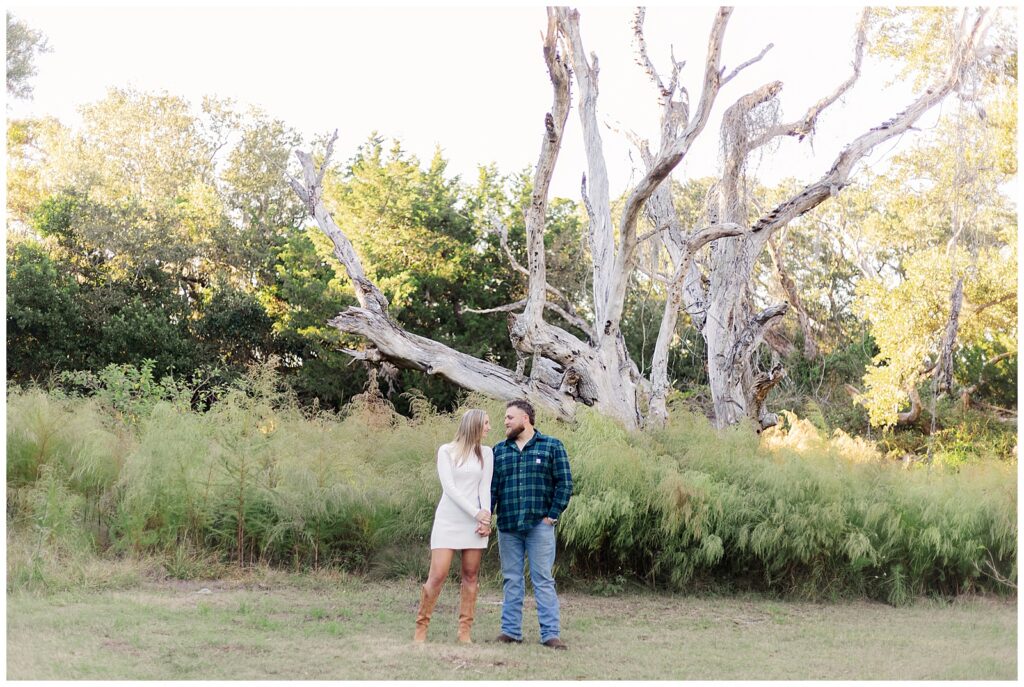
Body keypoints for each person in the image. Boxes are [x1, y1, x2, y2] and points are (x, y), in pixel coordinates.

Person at [490, 399, 573, 650]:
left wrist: (552, 514)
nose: (505, 422)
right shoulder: (499, 450)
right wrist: (487, 515)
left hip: (540, 525)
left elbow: (565, 484)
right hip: (508, 525)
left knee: (543, 580)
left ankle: (550, 634)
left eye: (509, 417)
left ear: (525, 419)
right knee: (511, 579)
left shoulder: (551, 446)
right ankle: (510, 631)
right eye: (505, 418)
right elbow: (492, 488)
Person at [414, 409, 494, 644]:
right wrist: (476, 513)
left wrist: (485, 518)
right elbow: (450, 489)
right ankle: (421, 627)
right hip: (449, 520)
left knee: (471, 575)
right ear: (474, 425)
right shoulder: (446, 451)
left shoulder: (486, 453)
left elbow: (484, 488)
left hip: (476, 523)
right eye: (486, 423)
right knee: (437, 575)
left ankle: (464, 632)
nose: (489, 428)